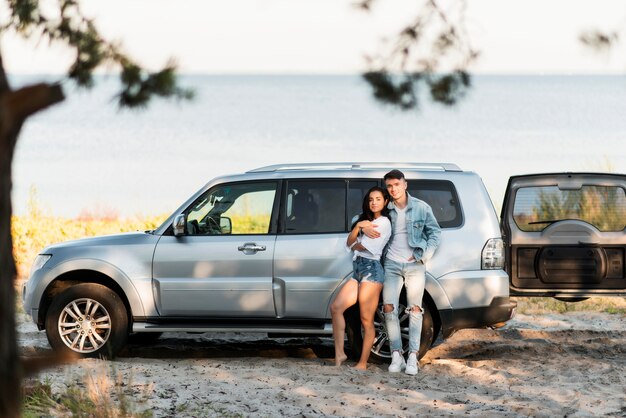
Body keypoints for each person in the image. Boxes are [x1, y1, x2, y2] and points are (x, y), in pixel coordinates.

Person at [362, 169, 441, 376]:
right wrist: (363, 227)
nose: (393, 189)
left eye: (397, 184)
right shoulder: (385, 208)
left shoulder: (421, 208)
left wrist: (423, 255)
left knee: (415, 309)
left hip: (415, 265)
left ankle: (413, 356)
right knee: (389, 308)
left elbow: (435, 233)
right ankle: (397, 354)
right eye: (389, 186)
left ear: (405, 185)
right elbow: (363, 216)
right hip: (391, 264)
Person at [331, 186, 392, 370]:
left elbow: (366, 247)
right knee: (336, 308)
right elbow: (349, 243)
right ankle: (340, 353)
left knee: (366, 319)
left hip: (372, 271)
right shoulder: (362, 221)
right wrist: (359, 227)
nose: (374, 202)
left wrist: (359, 236)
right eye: (371, 199)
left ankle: (363, 363)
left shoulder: (384, 223)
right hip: (358, 269)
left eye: (378, 199)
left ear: (385, 202)